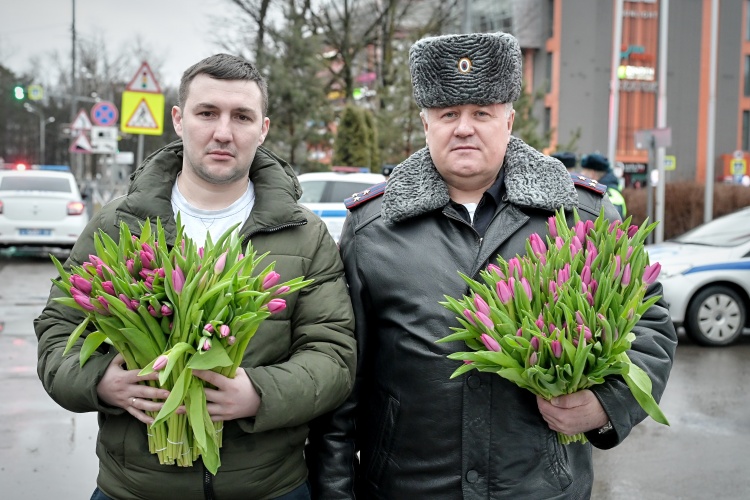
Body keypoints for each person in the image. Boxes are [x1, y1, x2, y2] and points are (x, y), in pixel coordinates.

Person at [306, 32, 676, 499]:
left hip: (540, 489)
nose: (464, 128)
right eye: (448, 114)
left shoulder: (582, 214)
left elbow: (650, 327)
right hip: (409, 487)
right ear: (426, 124)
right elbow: (345, 384)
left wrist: (606, 403)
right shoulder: (372, 227)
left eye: (482, 112)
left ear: (509, 120)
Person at [35, 53, 356, 500]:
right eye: (207, 113)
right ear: (178, 120)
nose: (223, 132)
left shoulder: (305, 235)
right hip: (134, 490)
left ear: (262, 129)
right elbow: (56, 334)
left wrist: (258, 394)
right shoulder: (116, 226)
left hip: (269, 489)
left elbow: (334, 355)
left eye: (241, 116)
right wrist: (101, 382)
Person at [580, 152, 627, 217]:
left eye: (584, 173)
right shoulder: (607, 191)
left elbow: (610, 221)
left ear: (592, 174)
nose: (582, 175)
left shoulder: (609, 194)